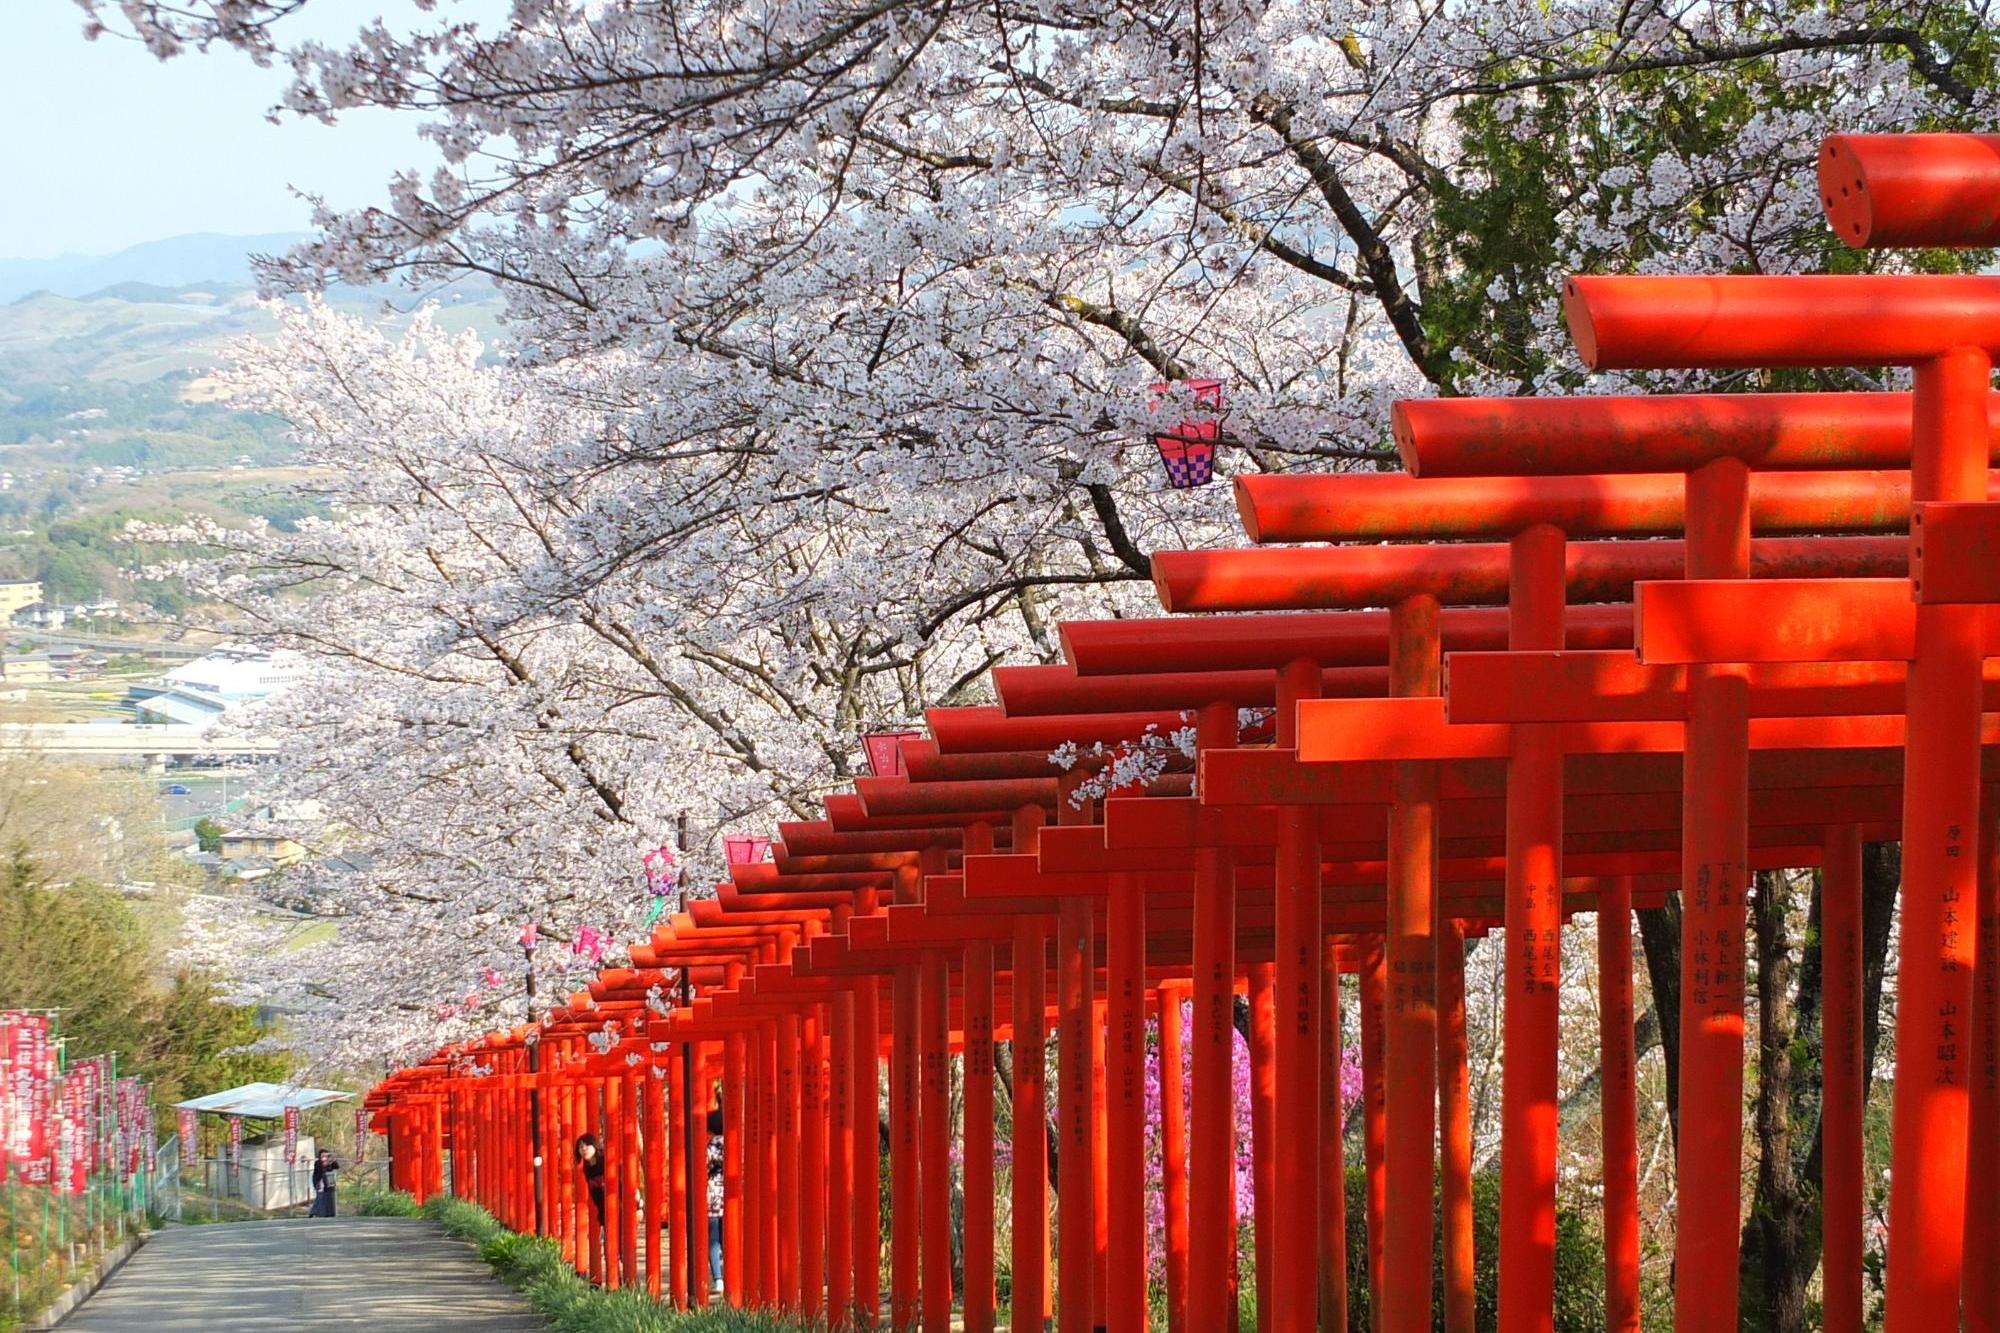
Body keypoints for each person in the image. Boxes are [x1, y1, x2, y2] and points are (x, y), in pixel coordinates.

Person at [575, 1133, 608, 1277]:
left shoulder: (606, 1162)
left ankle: (629, 1286)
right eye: (580, 1146)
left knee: (619, 1249)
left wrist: (638, 1205)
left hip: (619, 1209)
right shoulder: (587, 1169)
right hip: (605, 1214)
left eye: (587, 1145)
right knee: (609, 1251)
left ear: (595, 1145)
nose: (584, 1149)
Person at [705, 1094, 725, 1293]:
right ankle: (731, 1273)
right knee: (727, 1236)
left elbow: (704, 1165)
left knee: (713, 1238)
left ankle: (718, 1278)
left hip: (712, 1195)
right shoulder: (734, 1142)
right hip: (729, 1195)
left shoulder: (711, 1145)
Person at [309, 1148, 340, 1217]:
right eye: (323, 1155)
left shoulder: (330, 1162)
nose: (324, 1157)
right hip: (320, 1182)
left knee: (329, 1198)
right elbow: (320, 1169)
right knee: (320, 1198)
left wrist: (333, 1160)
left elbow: (336, 1167)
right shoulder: (318, 1162)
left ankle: (329, 1213)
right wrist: (325, 1163)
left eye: (326, 1155)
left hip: (329, 1182)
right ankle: (315, 1212)